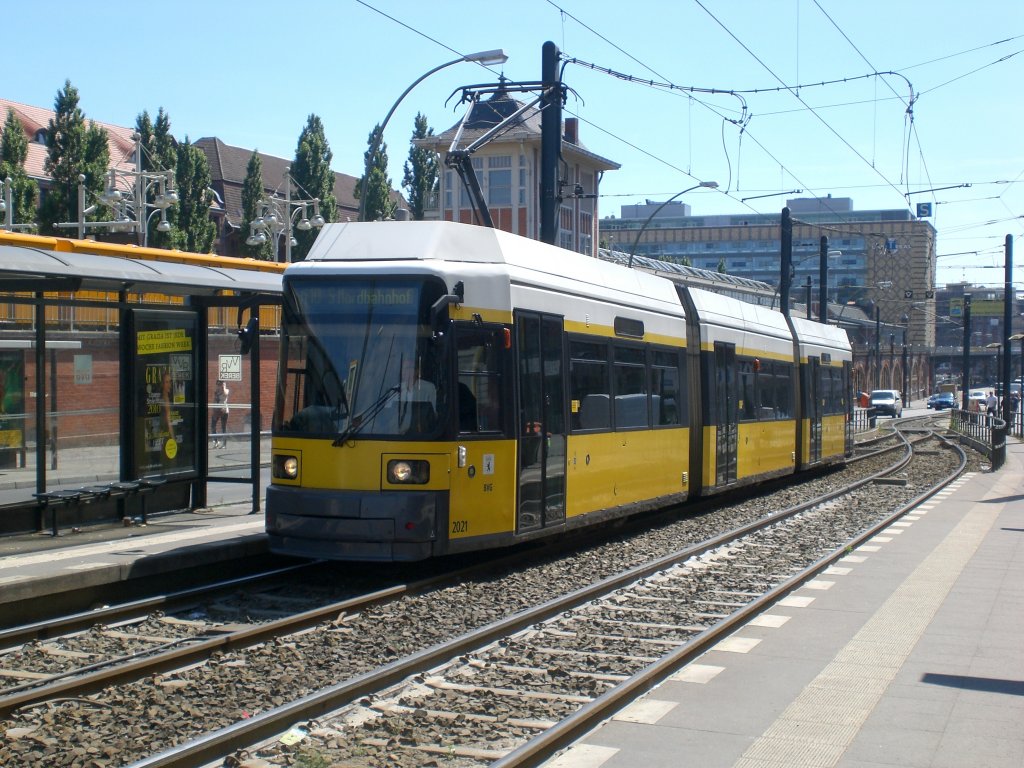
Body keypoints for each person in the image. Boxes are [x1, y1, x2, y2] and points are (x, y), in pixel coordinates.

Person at [211, 379, 229, 447]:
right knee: (213, 426)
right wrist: (213, 409)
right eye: (218, 384)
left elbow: (225, 394)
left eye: (220, 384)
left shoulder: (226, 390)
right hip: (216, 411)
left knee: (223, 427)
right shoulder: (216, 392)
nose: (219, 386)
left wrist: (223, 386)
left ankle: (224, 444)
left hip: (223, 410)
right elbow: (214, 400)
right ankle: (216, 441)